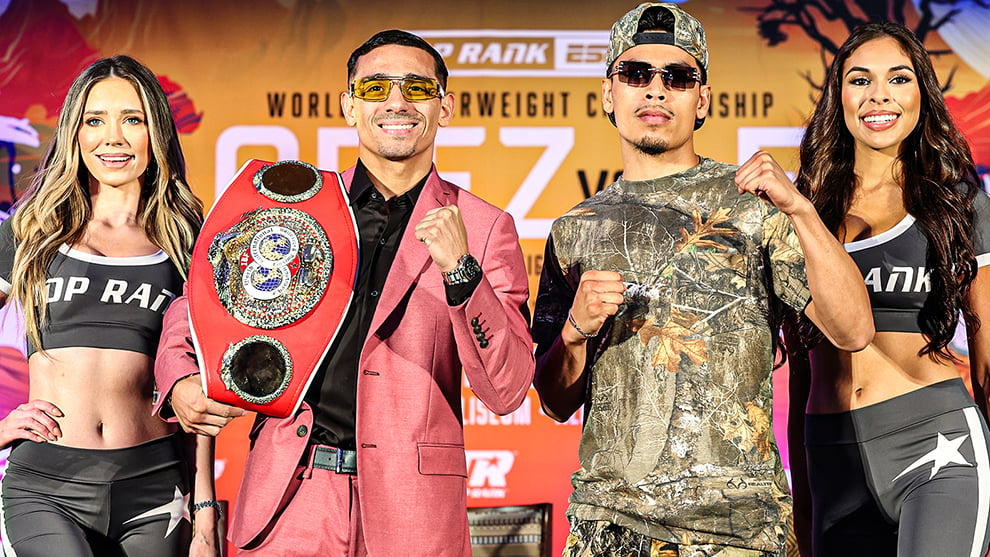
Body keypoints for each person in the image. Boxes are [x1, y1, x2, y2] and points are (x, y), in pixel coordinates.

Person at [153, 29, 535, 556]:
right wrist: (179, 379)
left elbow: (508, 389)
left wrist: (462, 272)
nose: (397, 102)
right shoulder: (299, 205)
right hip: (291, 498)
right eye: (376, 89)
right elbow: (196, 304)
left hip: (413, 512)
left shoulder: (483, 227)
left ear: (444, 108)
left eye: (417, 89)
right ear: (349, 106)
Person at [531, 3, 874, 556]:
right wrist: (574, 332)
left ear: (703, 99)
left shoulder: (753, 205)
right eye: (637, 74)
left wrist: (803, 212)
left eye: (678, 77)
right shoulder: (573, 232)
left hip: (739, 529)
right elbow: (553, 400)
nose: (656, 90)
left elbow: (854, 330)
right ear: (608, 94)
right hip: (610, 526)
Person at [786, 22, 990, 557]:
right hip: (831, 454)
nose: (879, 95)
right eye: (860, 80)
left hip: (939, 448)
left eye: (898, 79)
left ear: (922, 92)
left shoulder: (958, 200)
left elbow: (989, 357)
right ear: (839, 96)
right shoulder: (802, 208)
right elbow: (800, 370)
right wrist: (803, 497)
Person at [0, 55, 216, 556]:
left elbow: (198, 393)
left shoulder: (189, 243)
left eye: (132, 120)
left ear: (156, 134)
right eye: (94, 121)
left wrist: (205, 519)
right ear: (74, 133)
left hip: (157, 488)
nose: (112, 138)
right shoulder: (30, 234)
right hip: (45, 486)